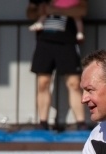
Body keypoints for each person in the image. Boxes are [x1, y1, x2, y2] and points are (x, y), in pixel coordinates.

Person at [27, 0, 88, 130]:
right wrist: (41, 9)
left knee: (74, 83)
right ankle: (43, 122)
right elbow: (31, 13)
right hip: (44, 42)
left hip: (68, 41)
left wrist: (52, 9)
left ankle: (81, 122)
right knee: (43, 82)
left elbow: (82, 11)